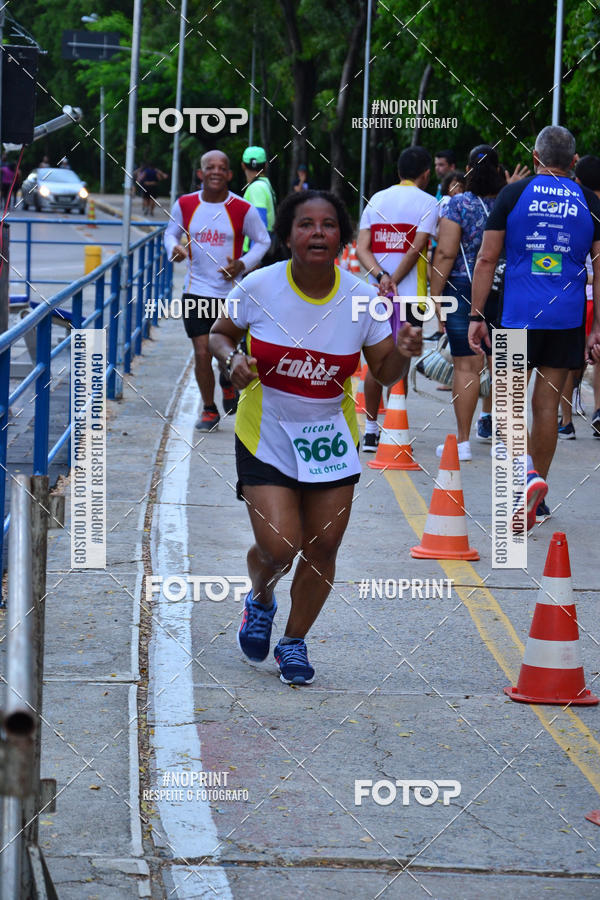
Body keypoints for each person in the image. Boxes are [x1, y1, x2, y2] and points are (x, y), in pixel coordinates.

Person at [208, 190, 423, 685]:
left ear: (342, 238)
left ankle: (294, 642)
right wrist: (231, 358)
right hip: (266, 433)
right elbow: (221, 333)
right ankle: (260, 598)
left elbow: (386, 372)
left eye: (328, 225)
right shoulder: (258, 286)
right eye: (306, 224)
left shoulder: (361, 299)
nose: (318, 232)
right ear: (288, 236)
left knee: (323, 545)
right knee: (279, 547)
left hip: (329, 434)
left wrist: (406, 351)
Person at [469, 125, 600, 530]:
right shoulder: (590, 201)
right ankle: (536, 499)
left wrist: (475, 314)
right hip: (567, 318)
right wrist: (597, 331)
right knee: (546, 407)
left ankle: (525, 476)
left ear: (537, 157)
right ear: (574, 162)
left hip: (517, 315)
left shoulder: (513, 194)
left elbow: (487, 259)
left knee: (508, 404)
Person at [164, 150, 271, 430]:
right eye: (209, 167)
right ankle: (209, 410)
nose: (215, 171)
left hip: (230, 295)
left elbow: (263, 241)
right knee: (201, 353)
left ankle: (227, 380)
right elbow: (170, 233)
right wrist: (173, 250)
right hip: (196, 291)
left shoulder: (241, 208)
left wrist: (242, 264)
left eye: (221, 167)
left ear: (229, 174)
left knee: (227, 352)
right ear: (201, 173)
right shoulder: (185, 204)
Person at [431, 145, 514, 460]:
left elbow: (446, 253)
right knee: (505, 366)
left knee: (466, 366)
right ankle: (505, 443)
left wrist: (436, 297)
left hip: (463, 290)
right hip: (507, 290)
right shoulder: (511, 203)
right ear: (497, 171)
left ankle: (463, 443)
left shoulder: (457, 205)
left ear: (466, 169)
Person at [356, 146, 438, 450]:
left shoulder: (377, 200)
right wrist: (396, 280)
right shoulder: (429, 203)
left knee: (376, 362)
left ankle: (371, 431)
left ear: (398, 172)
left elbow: (362, 247)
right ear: (426, 174)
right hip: (410, 297)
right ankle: (394, 429)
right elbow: (417, 247)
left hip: (376, 296)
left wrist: (381, 277)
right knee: (400, 361)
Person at [558, 154, 600, 439]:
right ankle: (598, 412)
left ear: (578, 180)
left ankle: (566, 421)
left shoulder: (571, 206)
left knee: (565, 363)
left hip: (575, 297)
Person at [241, 146, 276, 236]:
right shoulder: (265, 184)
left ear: (243, 165)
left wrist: (255, 250)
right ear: (265, 166)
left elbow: (259, 228)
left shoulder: (256, 187)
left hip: (255, 248)